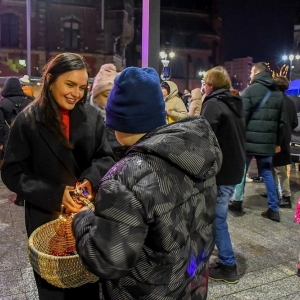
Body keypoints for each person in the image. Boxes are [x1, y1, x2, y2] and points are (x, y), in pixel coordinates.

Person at [73, 66, 222, 299]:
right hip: (190, 286)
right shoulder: (196, 151)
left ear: (119, 120)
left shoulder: (125, 177)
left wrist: (82, 219)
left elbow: (107, 260)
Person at [1, 53, 115, 300]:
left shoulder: (92, 117)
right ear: (51, 80)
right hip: (46, 220)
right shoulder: (27, 121)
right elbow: (12, 172)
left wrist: (90, 181)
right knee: (53, 290)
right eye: (70, 84)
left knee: (86, 285)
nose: (76, 93)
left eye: (82, 87)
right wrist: (54, 193)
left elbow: (105, 158)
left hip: (85, 215)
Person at [200, 66, 245, 284]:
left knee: (217, 220)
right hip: (234, 168)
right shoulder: (233, 103)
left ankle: (228, 265)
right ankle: (221, 259)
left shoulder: (213, 104)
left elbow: (203, 138)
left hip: (221, 171)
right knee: (217, 218)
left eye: (205, 82)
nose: (203, 86)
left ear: (211, 85)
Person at [230, 62, 286, 222]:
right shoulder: (278, 94)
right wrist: (277, 142)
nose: (249, 76)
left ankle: (238, 201)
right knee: (267, 172)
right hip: (268, 141)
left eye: (251, 73)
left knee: (242, 170)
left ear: (256, 73)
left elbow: (242, 117)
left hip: (249, 140)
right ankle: (274, 209)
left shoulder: (249, 91)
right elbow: (282, 122)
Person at [0, 77, 32, 206]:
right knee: (29, 167)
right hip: (29, 139)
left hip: (11, 140)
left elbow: (1, 125)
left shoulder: (3, 104)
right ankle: (29, 194)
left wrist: (2, 142)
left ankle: (20, 194)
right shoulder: (29, 101)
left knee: (17, 168)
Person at [270, 76, 297, 208]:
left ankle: (284, 195)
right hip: (286, 138)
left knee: (276, 168)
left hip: (276, 139)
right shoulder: (291, 102)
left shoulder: (275, 101)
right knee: (280, 168)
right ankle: (279, 194)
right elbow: (295, 122)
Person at [89, 63, 124, 158]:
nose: (111, 101)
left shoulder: (123, 117)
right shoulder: (84, 117)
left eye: (115, 96)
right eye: (106, 95)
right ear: (95, 97)